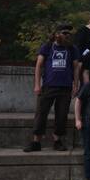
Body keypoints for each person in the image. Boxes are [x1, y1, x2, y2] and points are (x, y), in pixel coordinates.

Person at [23, 23, 80, 153]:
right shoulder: (47, 47)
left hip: (65, 87)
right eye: (64, 33)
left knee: (61, 115)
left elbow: (76, 68)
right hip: (48, 85)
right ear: (57, 34)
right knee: (41, 114)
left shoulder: (72, 49)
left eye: (68, 34)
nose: (67, 36)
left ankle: (57, 140)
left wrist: (75, 85)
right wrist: (37, 84)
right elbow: (38, 65)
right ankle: (36, 141)